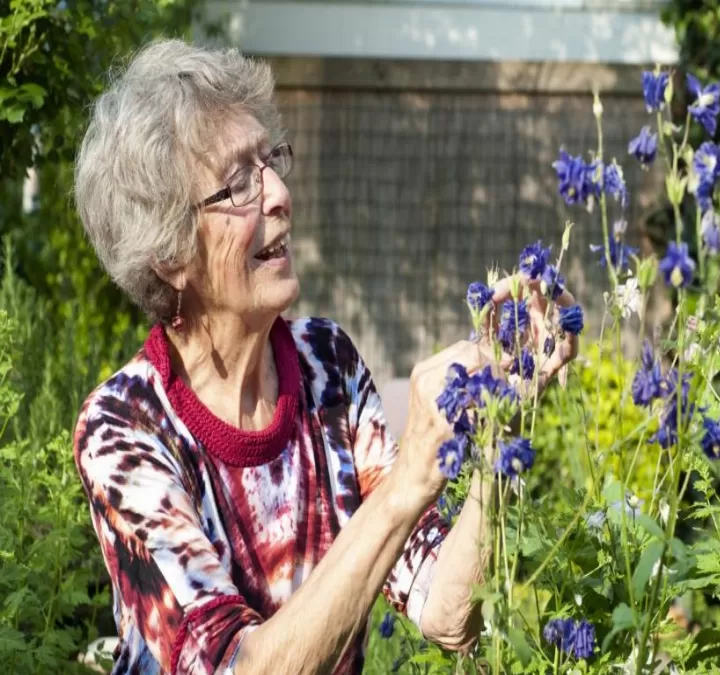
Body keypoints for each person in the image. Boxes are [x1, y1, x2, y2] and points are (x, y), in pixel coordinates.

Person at [72, 38, 578, 675]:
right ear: (170, 252)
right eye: (237, 184)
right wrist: (410, 482)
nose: (279, 192)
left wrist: (503, 425)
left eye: (272, 161)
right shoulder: (125, 428)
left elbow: (449, 613)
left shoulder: (325, 365)